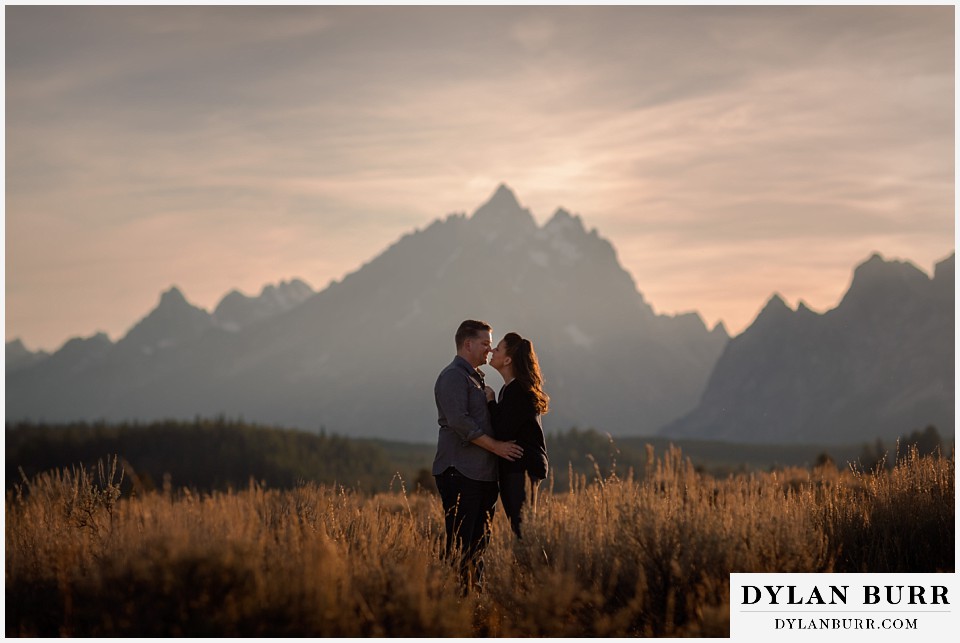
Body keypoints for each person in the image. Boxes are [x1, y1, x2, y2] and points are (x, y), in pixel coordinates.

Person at [432, 319, 523, 589]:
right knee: (461, 543)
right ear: (467, 344)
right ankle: (457, 601)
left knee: (479, 544)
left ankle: (475, 598)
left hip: (482, 475)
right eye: (485, 344)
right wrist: (497, 448)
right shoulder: (452, 376)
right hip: (459, 472)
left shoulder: (474, 377)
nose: (489, 349)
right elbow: (460, 422)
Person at [485, 332, 549, 539]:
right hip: (519, 467)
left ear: (508, 359)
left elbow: (503, 430)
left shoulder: (517, 391)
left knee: (524, 530)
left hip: (521, 468)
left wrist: (490, 402)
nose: (492, 351)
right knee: (522, 528)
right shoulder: (511, 388)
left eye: (498, 349)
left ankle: (537, 568)